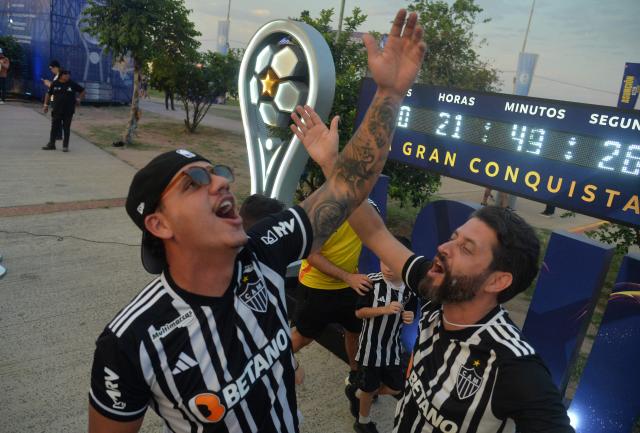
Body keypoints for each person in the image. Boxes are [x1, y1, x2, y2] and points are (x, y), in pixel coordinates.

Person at [87, 9, 426, 433]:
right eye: (193, 182)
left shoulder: (263, 251)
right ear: (159, 225)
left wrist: (390, 93)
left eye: (218, 173)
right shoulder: (128, 342)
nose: (219, 184)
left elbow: (348, 187)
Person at [294, 107, 575, 433]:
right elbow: (375, 233)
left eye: (466, 248)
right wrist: (331, 163)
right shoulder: (433, 284)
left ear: (498, 280)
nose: (444, 247)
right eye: (454, 237)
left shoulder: (516, 369)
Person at [353, 236, 416, 433]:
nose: (388, 267)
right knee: (369, 387)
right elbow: (359, 313)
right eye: (384, 261)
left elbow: (411, 312)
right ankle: (363, 421)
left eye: (393, 263)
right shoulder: (371, 282)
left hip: (392, 348)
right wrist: (384, 309)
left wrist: (409, 316)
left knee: (396, 387)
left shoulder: (409, 290)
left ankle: (360, 393)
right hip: (370, 347)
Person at [42, 70, 85, 152]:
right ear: (61, 75)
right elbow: (48, 94)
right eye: (66, 75)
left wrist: (79, 99)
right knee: (54, 127)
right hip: (57, 110)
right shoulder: (55, 83)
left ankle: (65, 146)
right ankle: (52, 144)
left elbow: (82, 90)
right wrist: (46, 105)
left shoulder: (72, 84)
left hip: (68, 110)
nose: (68, 76)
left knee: (66, 128)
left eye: (69, 75)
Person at [42, 60, 63, 145]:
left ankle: (58, 134)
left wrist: (48, 84)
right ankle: (58, 134)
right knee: (55, 116)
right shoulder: (56, 76)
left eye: (51, 68)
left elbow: (58, 87)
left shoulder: (60, 76)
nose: (51, 70)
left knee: (57, 117)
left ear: (56, 67)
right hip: (54, 98)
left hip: (58, 99)